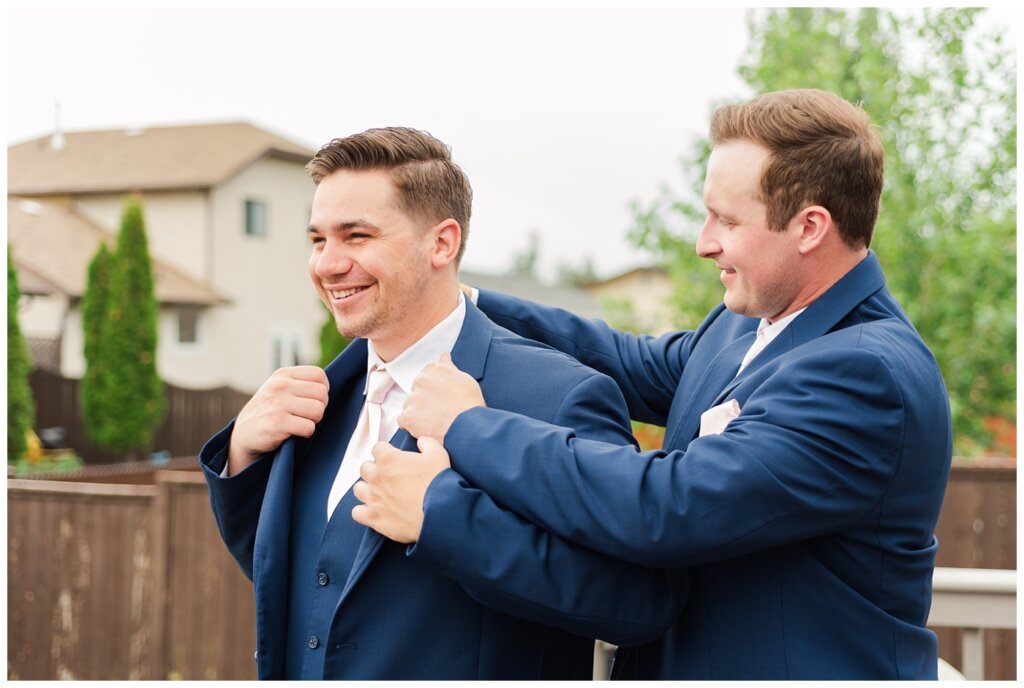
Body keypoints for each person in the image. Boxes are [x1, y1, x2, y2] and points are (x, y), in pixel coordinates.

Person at [356, 90, 953, 679]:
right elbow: (628, 359)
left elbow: (666, 507)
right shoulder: (744, 324)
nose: (704, 242)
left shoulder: (863, 373)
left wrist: (468, 427)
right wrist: (456, 299)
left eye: (727, 219)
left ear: (809, 227)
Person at [199, 127, 687, 680]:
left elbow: (638, 602)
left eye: (356, 236)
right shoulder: (318, 400)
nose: (327, 265)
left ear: (442, 243)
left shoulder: (560, 394)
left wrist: (445, 520)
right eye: (318, 240)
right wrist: (242, 456)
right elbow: (299, 577)